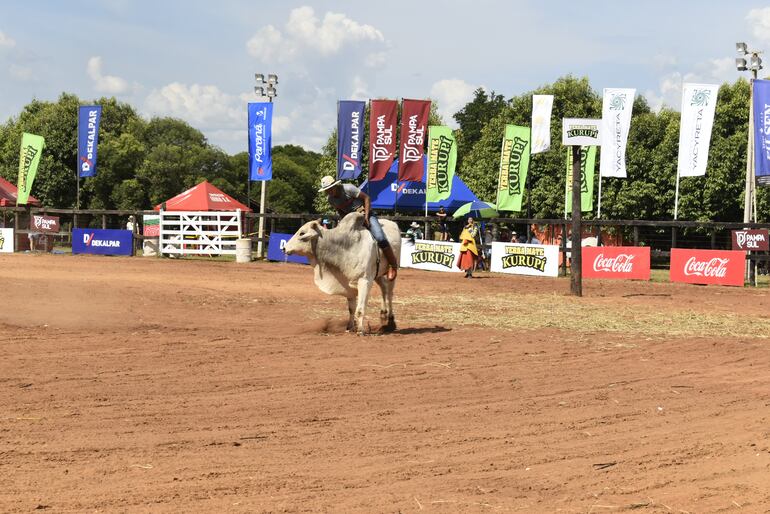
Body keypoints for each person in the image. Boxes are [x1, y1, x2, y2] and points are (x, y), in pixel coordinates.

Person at [319, 175, 398, 280]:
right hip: (351, 220)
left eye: (329, 189)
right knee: (341, 240)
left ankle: (393, 265)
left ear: (335, 186)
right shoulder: (331, 199)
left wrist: (366, 216)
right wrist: (344, 223)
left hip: (366, 215)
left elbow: (366, 198)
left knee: (380, 237)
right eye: (326, 191)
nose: (328, 192)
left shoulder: (348, 188)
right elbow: (340, 210)